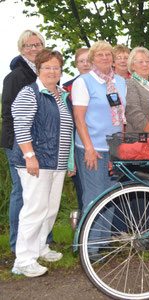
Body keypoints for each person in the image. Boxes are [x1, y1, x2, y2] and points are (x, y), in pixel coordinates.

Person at [11, 49, 74, 277]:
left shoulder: (62, 93)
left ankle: (40, 248)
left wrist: (68, 162)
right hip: (36, 162)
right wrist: (30, 156)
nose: (52, 71)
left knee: (49, 209)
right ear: (38, 70)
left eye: (56, 67)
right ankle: (23, 260)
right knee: (34, 210)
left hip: (56, 162)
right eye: (46, 67)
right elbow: (21, 126)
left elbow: (66, 131)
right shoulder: (30, 93)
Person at [72, 41, 126, 259]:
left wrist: (120, 149)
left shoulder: (120, 81)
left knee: (110, 195)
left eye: (108, 54)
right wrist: (88, 148)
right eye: (100, 55)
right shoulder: (83, 82)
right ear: (92, 58)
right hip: (92, 147)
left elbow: (122, 117)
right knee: (94, 197)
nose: (105, 58)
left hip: (114, 147)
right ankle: (88, 248)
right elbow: (79, 118)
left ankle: (102, 242)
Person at [1, 29, 45, 253]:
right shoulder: (16, 77)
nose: (34, 49)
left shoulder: (42, 74)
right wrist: (22, 147)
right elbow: (9, 115)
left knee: (38, 193)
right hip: (19, 144)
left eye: (38, 45)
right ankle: (18, 244)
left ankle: (40, 241)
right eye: (29, 45)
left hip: (37, 143)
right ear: (21, 49)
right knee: (22, 192)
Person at [62, 47, 92, 211]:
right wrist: (70, 158)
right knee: (82, 192)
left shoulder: (106, 84)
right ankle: (83, 232)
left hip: (100, 145)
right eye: (82, 61)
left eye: (89, 60)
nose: (86, 64)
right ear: (76, 64)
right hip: (77, 146)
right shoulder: (67, 89)